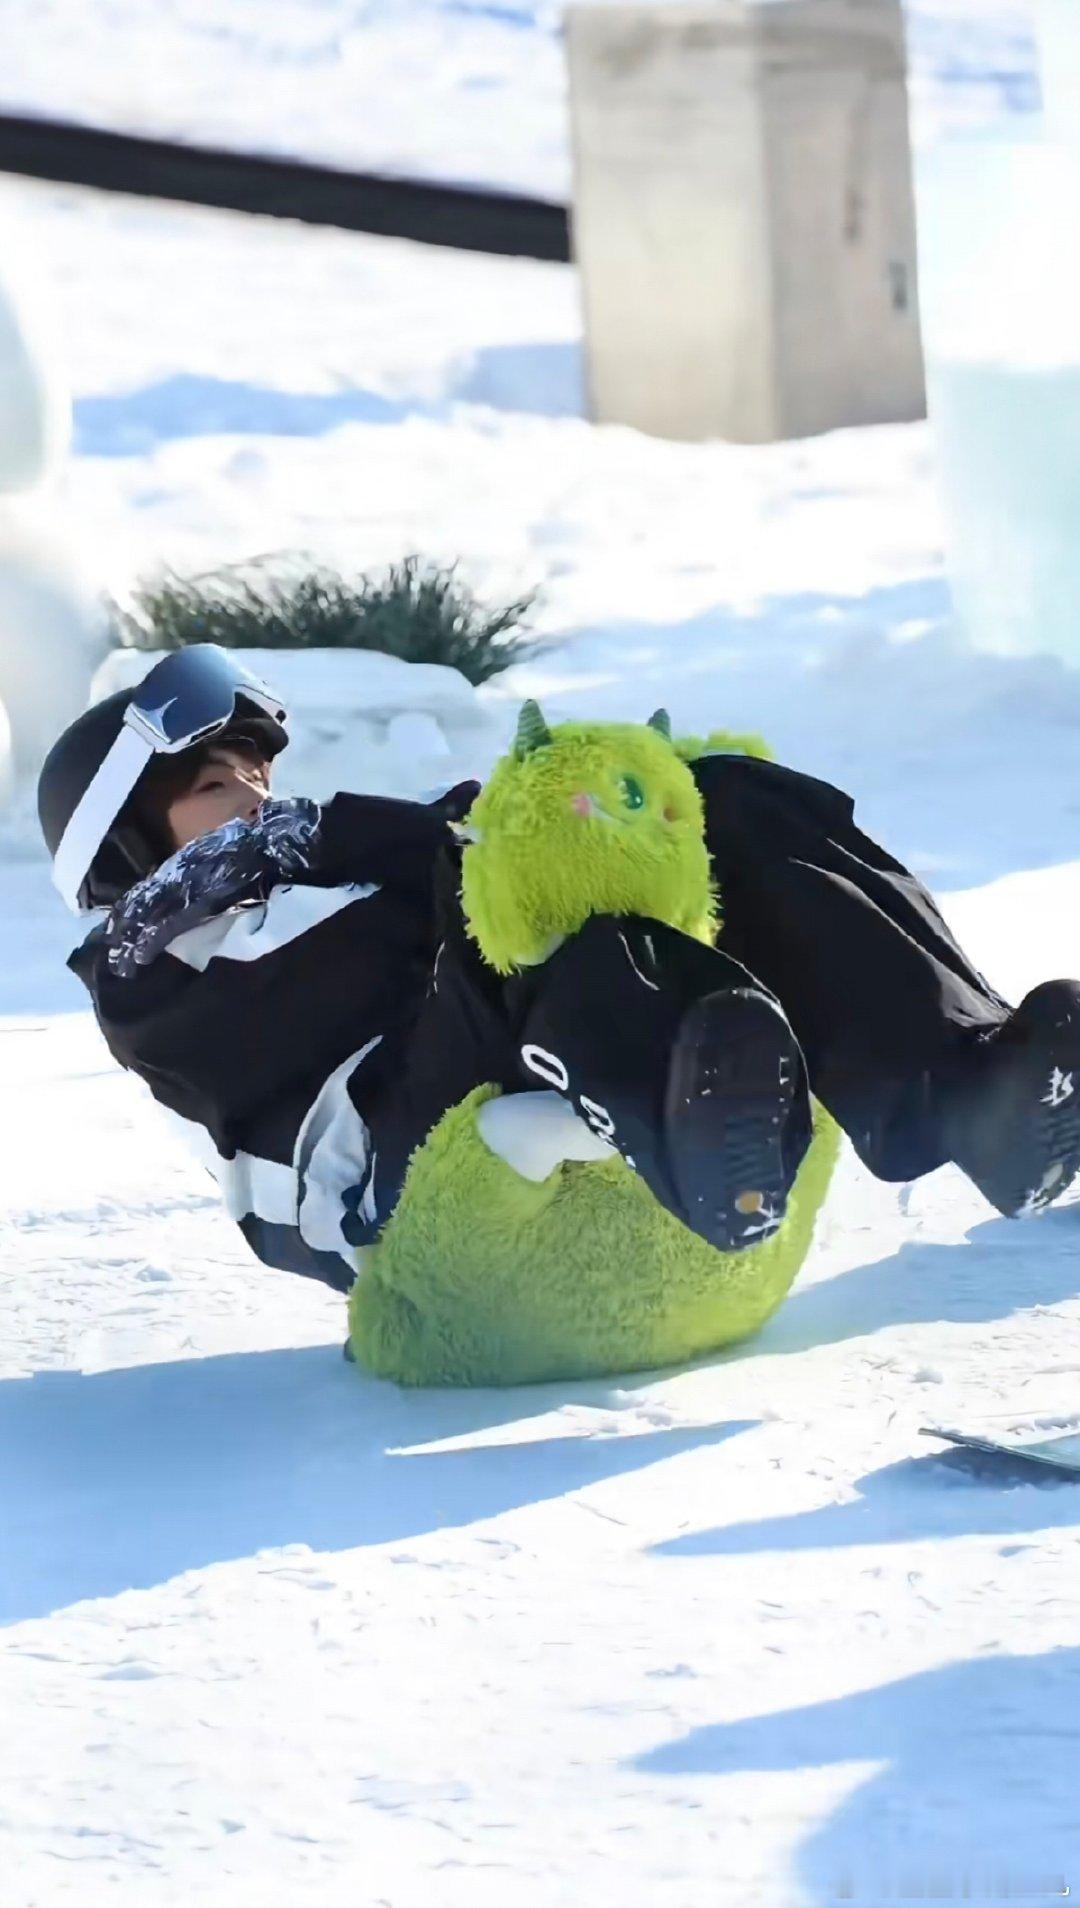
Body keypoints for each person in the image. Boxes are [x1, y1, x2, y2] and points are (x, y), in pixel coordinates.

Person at [37, 645, 1080, 1298]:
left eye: (264, 776)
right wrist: (362, 837)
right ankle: (705, 1137)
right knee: (524, 908)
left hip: (479, 1060)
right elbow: (445, 890)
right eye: (220, 784)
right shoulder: (147, 977)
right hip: (396, 1202)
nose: (260, 801)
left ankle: (968, 1086)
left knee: (718, 803)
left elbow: (462, 853)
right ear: (125, 838)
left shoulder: (316, 876)